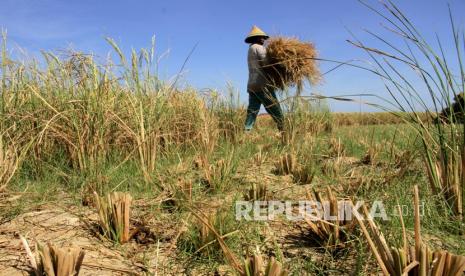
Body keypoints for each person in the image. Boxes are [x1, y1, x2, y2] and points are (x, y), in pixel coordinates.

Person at [244, 25, 284, 132]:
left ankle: (246, 132)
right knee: (275, 109)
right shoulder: (259, 48)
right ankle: (283, 130)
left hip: (252, 86)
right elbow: (267, 63)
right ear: (255, 38)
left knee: (252, 111)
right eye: (261, 37)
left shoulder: (250, 50)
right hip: (263, 85)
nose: (263, 39)